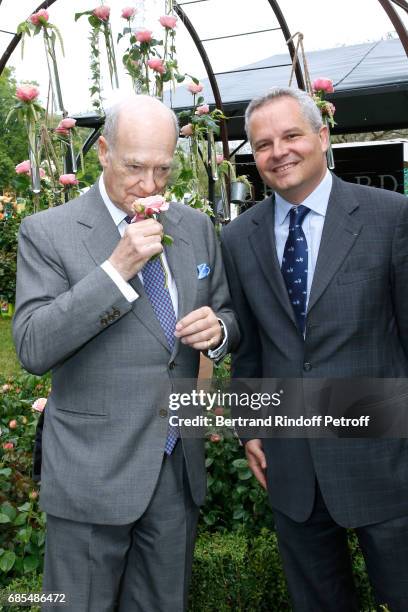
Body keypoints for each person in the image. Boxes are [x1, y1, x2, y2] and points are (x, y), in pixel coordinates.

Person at [13, 94, 239, 612]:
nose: (150, 185)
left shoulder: (196, 227)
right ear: (104, 153)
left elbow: (226, 312)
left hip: (175, 468)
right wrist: (115, 270)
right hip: (92, 473)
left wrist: (219, 331)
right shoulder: (48, 232)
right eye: (135, 166)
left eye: (164, 168)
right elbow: (32, 345)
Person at [221, 87, 408, 611]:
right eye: (262, 144)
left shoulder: (391, 218)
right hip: (293, 465)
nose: (278, 151)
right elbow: (251, 348)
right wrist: (250, 424)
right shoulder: (239, 239)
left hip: (386, 460)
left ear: (322, 138)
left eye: (291, 135)